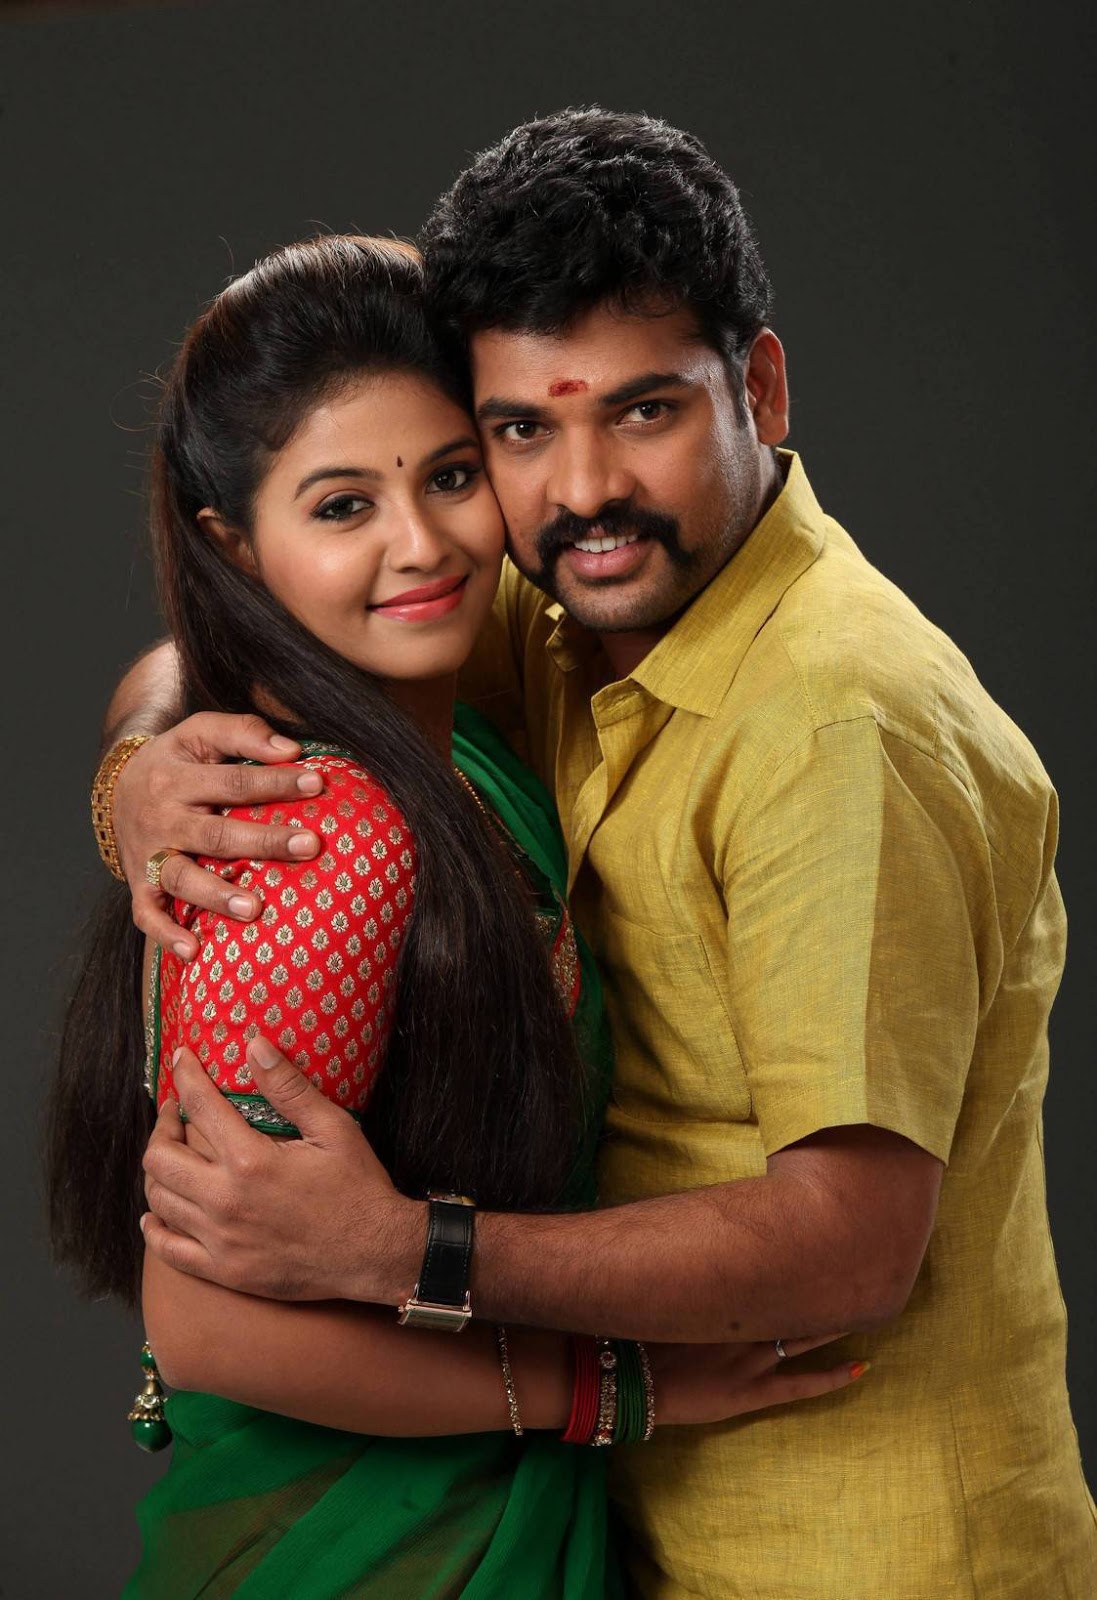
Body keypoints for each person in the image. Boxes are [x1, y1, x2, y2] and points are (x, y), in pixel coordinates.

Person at [103, 112, 1095, 1599]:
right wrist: (139, 775)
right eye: (518, 433)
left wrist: (408, 1250)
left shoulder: (837, 726)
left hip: (855, 1544)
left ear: (759, 386)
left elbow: (848, 1249)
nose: (581, 490)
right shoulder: (576, 609)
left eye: (643, 411)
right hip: (616, 1518)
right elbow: (255, 640)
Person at [49, 232, 859, 1600]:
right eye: (341, 506)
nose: (421, 545)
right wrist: (618, 1389)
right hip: (359, 1554)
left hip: (481, 1519)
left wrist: (129, 760)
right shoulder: (316, 831)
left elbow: (177, 659)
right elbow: (206, 1329)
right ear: (233, 543)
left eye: (450, 476)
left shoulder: (462, 738)